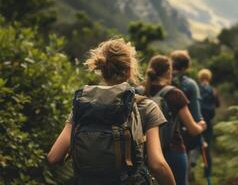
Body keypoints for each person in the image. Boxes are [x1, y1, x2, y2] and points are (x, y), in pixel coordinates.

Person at [47, 38, 176, 185]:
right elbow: (157, 165)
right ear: (128, 71)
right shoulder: (147, 106)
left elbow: (54, 157)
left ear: (101, 69)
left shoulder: (84, 105)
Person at [144, 55, 207, 185]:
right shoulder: (175, 94)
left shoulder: (141, 92)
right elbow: (193, 129)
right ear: (169, 72)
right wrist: (201, 126)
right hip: (173, 152)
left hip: (147, 152)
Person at [169, 50, 204, 180]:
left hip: (155, 136)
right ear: (185, 67)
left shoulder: (160, 80)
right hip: (181, 139)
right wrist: (201, 135)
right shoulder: (190, 85)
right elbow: (196, 115)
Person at [197, 69, 220, 178]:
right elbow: (218, 104)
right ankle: (207, 173)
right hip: (209, 123)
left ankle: (191, 171)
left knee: (193, 147)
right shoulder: (213, 91)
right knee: (207, 148)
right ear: (209, 78)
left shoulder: (197, 89)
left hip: (197, 122)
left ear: (200, 78)